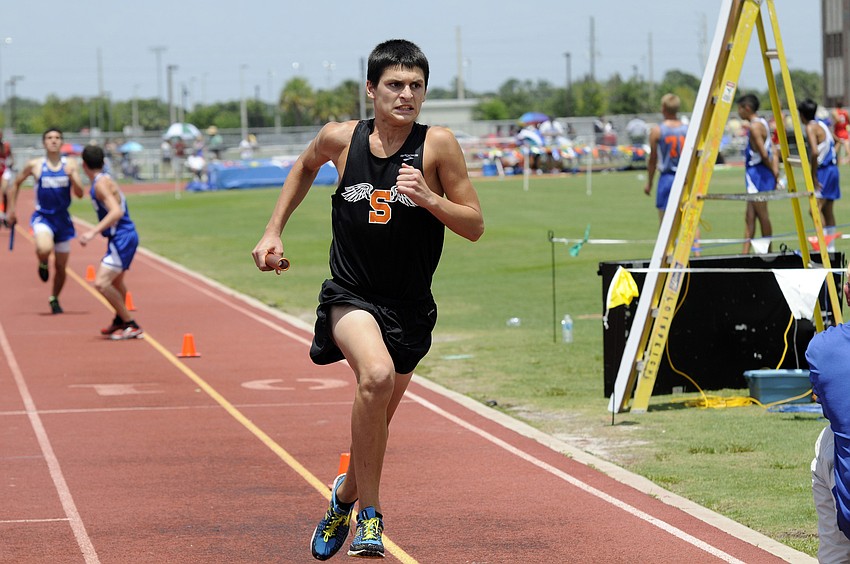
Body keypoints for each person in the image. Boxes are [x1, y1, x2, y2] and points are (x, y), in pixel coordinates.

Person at [251, 39, 484, 560]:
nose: (406, 95)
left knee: (376, 422)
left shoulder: (438, 145)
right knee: (374, 376)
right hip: (350, 295)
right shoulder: (341, 139)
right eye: (395, 85)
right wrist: (273, 231)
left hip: (410, 308)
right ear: (371, 90)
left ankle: (342, 496)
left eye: (416, 86)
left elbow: (475, 225)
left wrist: (429, 198)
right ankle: (371, 518)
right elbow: (304, 167)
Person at [6, 128, 85, 314]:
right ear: (44, 143)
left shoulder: (70, 163)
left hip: (63, 219)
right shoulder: (35, 165)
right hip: (43, 217)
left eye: (57, 138)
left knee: (60, 266)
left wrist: (73, 176)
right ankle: (42, 262)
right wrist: (11, 210)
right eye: (49, 138)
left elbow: (81, 194)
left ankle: (54, 298)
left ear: (62, 142)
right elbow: (15, 183)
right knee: (44, 248)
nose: (53, 141)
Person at [807, 265, 850, 563]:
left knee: (827, 439)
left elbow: (826, 401)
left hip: (845, 501)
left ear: (846, 293)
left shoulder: (820, 348)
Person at [78, 145, 143, 340]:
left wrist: (92, 232)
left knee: (101, 283)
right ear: (103, 162)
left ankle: (131, 324)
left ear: (84, 165)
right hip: (123, 236)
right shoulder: (104, 179)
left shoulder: (100, 184)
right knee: (116, 281)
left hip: (122, 237)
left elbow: (116, 211)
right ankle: (119, 320)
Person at [737, 93, 778, 254]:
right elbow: (772, 149)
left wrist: (774, 173)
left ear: (747, 108)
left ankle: (769, 254)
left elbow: (764, 153)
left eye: (739, 109)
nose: (738, 113)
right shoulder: (762, 122)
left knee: (762, 215)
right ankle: (744, 254)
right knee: (749, 217)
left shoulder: (755, 127)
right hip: (757, 173)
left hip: (758, 175)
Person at [799, 98, 841, 252]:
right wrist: (834, 157)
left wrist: (813, 175)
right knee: (827, 210)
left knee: (814, 210)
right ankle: (831, 249)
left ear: (801, 115)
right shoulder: (823, 124)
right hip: (833, 169)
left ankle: (822, 246)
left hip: (823, 171)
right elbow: (838, 141)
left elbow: (815, 151)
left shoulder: (810, 127)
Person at [645, 94, 689, 224]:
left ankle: (668, 245)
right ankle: (695, 245)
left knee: (665, 221)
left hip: (667, 177)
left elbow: (653, 159)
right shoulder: (687, 129)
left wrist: (649, 182)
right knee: (688, 219)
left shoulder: (657, 131)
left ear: (663, 108)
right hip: (685, 177)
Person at [0, 130, 13, 226]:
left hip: (4, 171)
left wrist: (11, 162)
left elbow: (11, 156)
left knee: (4, 193)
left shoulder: (6, 146)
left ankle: (3, 214)